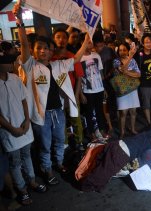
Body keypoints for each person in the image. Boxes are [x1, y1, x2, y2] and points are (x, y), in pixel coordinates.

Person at [13, 2, 90, 185]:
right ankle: (46, 169)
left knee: (59, 140)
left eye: (46, 48)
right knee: (45, 145)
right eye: (39, 48)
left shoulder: (58, 65)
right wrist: (19, 21)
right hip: (41, 116)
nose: (43, 51)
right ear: (34, 51)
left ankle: (60, 163)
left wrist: (87, 38)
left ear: (51, 51)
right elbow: (24, 44)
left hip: (58, 112)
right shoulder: (30, 65)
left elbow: (77, 58)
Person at [0, 55, 47, 206]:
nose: (12, 64)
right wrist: (11, 128)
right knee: (15, 161)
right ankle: (22, 189)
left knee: (27, 155)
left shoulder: (15, 78)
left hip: (23, 125)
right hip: (8, 130)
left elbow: (23, 100)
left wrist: (27, 120)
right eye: (8, 62)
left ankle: (32, 181)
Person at [52, 28, 85, 151]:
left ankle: (79, 142)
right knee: (61, 123)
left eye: (64, 37)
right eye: (58, 37)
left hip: (71, 94)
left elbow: (79, 77)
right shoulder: (50, 57)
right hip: (56, 96)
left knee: (76, 120)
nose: (61, 40)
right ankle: (64, 144)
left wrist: (76, 95)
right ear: (53, 39)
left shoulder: (72, 57)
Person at [80, 35, 106, 141]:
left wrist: (104, 88)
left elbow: (101, 73)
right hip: (87, 90)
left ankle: (102, 130)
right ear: (82, 43)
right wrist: (81, 93)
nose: (90, 45)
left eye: (90, 42)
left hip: (99, 89)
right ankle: (91, 133)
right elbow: (79, 77)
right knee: (89, 113)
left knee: (100, 111)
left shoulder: (96, 55)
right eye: (87, 42)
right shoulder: (79, 57)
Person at [113, 42, 141, 138]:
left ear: (128, 50)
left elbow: (138, 74)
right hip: (122, 90)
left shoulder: (133, 60)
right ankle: (122, 132)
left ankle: (133, 129)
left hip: (132, 89)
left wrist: (127, 72)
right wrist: (130, 57)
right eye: (120, 50)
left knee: (133, 111)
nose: (122, 52)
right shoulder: (116, 61)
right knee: (123, 113)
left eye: (124, 50)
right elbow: (122, 69)